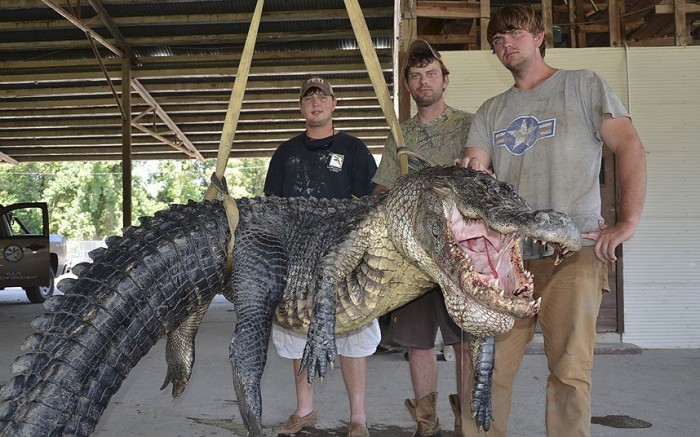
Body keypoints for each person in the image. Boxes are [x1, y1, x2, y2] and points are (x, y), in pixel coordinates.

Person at [459, 5, 647, 437]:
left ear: (540, 36)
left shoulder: (582, 85)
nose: (506, 44)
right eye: (497, 40)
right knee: (486, 374)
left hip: (575, 251)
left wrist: (626, 223)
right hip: (506, 261)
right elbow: (476, 166)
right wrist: (472, 173)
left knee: (569, 372)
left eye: (515, 34)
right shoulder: (491, 110)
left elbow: (630, 147)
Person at [264, 77, 380, 437]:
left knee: (352, 337)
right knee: (299, 332)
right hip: (298, 261)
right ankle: (304, 410)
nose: (315, 102)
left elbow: (371, 202)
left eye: (322, 96)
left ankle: (358, 417)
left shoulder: (354, 150)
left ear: (334, 103)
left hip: (343, 259)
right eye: (308, 97)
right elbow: (271, 208)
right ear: (300, 106)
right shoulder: (285, 154)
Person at [372, 39, 474, 437]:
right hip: (412, 255)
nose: (423, 81)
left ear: (445, 80)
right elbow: (381, 190)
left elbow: (486, 178)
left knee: (464, 341)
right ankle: (425, 424)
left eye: (431, 74)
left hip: (458, 253)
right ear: (409, 87)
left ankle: (467, 423)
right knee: (418, 342)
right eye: (415, 77)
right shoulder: (400, 135)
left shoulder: (469, 124)